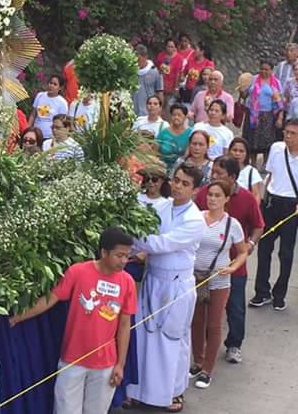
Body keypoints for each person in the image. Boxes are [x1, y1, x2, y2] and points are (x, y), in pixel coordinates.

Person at [9, 227, 137, 414]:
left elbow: (125, 325)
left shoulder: (127, 282)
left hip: (106, 364)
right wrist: (18, 317)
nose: (124, 261)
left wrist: (120, 364)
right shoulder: (78, 272)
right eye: (119, 255)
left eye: (127, 256)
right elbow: (50, 299)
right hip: (72, 360)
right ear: (103, 252)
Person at [124, 165, 206, 413]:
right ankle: (140, 391)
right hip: (153, 279)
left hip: (176, 285)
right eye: (177, 180)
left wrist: (131, 238)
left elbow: (161, 243)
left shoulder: (195, 219)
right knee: (145, 336)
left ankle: (173, 392)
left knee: (172, 338)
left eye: (185, 183)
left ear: (195, 189)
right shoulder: (162, 206)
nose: (178, 186)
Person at [194, 156, 264, 364]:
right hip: (204, 270)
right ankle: (200, 355)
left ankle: (234, 345)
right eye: (213, 172)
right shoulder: (204, 195)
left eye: (219, 174)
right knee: (200, 315)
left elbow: (259, 225)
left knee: (234, 307)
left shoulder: (246, 199)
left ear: (232, 178)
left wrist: (249, 246)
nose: (213, 177)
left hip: (233, 268)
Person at [189, 180, 248, 389]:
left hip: (219, 280)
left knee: (213, 324)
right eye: (210, 195)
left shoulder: (232, 225)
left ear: (226, 199)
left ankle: (207, 369)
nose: (212, 199)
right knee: (196, 321)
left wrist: (233, 268)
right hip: (195, 278)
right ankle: (197, 360)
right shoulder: (197, 218)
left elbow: (242, 252)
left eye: (217, 195)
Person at [250, 119, 298, 311]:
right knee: (264, 248)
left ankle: (280, 294)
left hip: (292, 205)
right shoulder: (277, 148)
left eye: (293, 133)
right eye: (286, 132)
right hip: (272, 201)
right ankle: (261, 291)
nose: (288, 136)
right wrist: (262, 199)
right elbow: (269, 175)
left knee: (285, 253)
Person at [242, 60, 284, 166]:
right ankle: (253, 163)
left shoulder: (275, 83)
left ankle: (265, 164)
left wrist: (279, 117)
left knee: (267, 141)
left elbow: (280, 102)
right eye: (262, 69)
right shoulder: (253, 79)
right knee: (251, 139)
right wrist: (241, 90)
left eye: (266, 69)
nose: (264, 71)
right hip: (252, 114)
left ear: (271, 70)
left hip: (267, 115)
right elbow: (245, 95)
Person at [28, 74, 69, 141]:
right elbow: (33, 114)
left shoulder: (62, 103)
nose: (51, 86)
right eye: (51, 83)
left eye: (55, 84)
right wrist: (28, 128)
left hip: (50, 136)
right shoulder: (40, 95)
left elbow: (62, 122)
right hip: (36, 133)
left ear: (60, 88)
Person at [156, 104, 191, 170]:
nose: (176, 117)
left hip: (182, 169)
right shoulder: (163, 133)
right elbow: (155, 152)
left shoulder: (190, 133)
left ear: (185, 116)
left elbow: (187, 155)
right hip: (162, 167)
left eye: (179, 115)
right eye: (174, 115)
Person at [229, 137, 264, 202]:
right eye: (234, 150)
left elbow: (256, 195)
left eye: (241, 151)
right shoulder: (224, 169)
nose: (237, 154)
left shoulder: (252, 172)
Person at [133, 44, 164, 117]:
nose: (136, 62)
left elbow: (159, 91)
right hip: (134, 112)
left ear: (145, 57)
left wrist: (159, 110)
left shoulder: (155, 71)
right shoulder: (131, 71)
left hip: (149, 112)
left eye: (138, 59)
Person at [155, 38, 185, 110]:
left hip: (171, 87)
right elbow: (156, 69)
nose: (170, 49)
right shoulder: (161, 56)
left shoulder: (179, 59)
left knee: (168, 108)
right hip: (160, 86)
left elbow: (178, 74)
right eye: (169, 46)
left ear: (175, 48)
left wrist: (176, 88)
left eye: (172, 47)